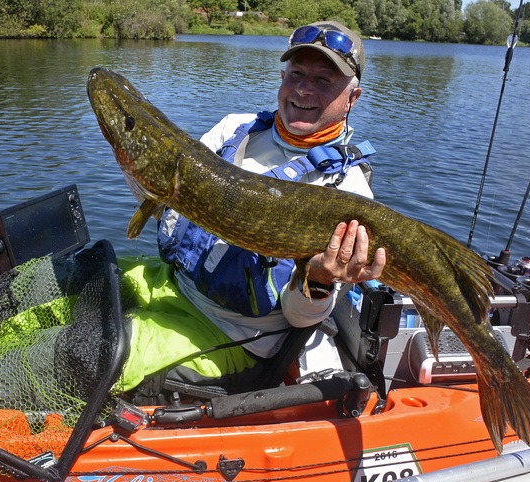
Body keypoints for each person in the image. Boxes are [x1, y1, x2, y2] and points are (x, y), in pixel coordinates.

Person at [147, 20, 386, 392]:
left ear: (352, 99)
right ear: (282, 76)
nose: (304, 89)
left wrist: (321, 279)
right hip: (174, 288)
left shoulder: (347, 191)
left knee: (97, 352)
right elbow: (168, 205)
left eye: (324, 80)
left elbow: (298, 317)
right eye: (296, 74)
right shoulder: (234, 131)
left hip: (237, 337)